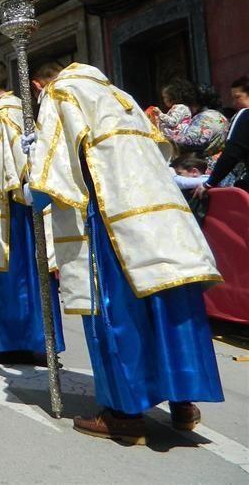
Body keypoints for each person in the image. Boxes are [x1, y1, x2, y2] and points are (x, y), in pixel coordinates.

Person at [27, 61, 222, 444]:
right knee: (168, 298)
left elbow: (52, 169)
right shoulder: (122, 97)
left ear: (37, 85)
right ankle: (183, 404)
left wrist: (29, 169)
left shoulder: (60, 92)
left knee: (120, 310)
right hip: (161, 211)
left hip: (113, 215)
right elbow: (162, 149)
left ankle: (123, 414)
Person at [0, 57, 64, 362]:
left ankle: (15, 343)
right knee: (28, 276)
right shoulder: (20, 110)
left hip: (10, 215)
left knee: (14, 278)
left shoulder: (5, 115)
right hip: (18, 209)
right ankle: (30, 340)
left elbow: (1, 166)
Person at [158, 78, 229, 169]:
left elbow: (190, 142)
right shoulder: (218, 116)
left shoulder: (205, 118)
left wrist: (165, 135)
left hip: (206, 168)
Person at [196, 76, 249, 194]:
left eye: (238, 97)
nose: (234, 103)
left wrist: (209, 183)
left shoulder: (245, 114)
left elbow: (232, 153)